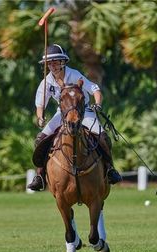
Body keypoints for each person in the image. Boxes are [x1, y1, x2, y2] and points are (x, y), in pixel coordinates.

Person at [27, 44, 122, 191]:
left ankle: (110, 169)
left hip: (83, 112)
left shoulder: (74, 75)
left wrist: (97, 104)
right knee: (40, 139)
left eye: (55, 62)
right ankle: (40, 175)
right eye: (49, 63)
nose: (52, 65)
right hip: (62, 114)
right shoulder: (46, 82)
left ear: (63, 62)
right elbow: (40, 105)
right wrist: (40, 118)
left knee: (103, 137)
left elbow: (94, 89)